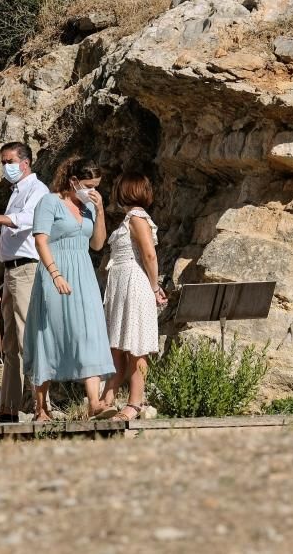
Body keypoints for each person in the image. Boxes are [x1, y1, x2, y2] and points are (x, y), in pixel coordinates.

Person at [23, 156, 116, 421]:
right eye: (88, 185)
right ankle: (41, 408)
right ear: (73, 181)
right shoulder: (50, 202)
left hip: (83, 274)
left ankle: (95, 403)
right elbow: (40, 241)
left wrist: (99, 212)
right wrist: (55, 274)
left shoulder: (88, 209)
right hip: (55, 272)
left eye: (96, 186)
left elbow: (97, 245)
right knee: (49, 333)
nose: (92, 191)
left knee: (90, 332)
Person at [0, 142, 49, 422]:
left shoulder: (37, 190)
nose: (6, 167)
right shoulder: (17, 192)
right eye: (3, 162)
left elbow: (29, 219)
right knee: (10, 341)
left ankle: (39, 405)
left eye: (9, 161)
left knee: (24, 337)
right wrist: (1, 241)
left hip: (26, 270)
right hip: (11, 270)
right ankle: (8, 406)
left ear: (25, 162)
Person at [99, 173, 168, 420]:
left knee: (135, 347)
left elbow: (149, 255)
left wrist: (153, 287)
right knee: (117, 346)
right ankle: (106, 400)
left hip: (134, 284)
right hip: (121, 285)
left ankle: (135, 403)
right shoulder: (130, 218)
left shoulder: (138, 217)